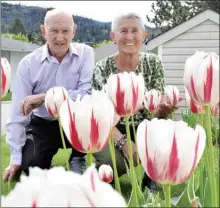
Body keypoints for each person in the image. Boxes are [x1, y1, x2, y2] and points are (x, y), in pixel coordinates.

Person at [3, 9, 94, 182]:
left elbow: (85, 94)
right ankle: (46, 171)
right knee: (30, 165)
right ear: (44, 31)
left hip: (75, 121)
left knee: (88, 113)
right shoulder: (28, 64)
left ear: (73, 31)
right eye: (54, 31)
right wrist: (15, 159)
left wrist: (45, 97)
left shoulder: (85, 54)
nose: (60, 38)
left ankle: (77, 158)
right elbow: (17, 114)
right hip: (43, 124)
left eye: (65, 31)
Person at [92, 12, 174, 190]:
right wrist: (123, 143)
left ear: (144, 36)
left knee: (166, 135)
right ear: (113, 37)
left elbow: (155, 113)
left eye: (135, 31)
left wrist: (163, 111)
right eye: (123, 31)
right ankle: (99, 176)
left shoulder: (153, 65)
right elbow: (101, 115)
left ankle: (152, 177)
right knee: (112, 161)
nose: (129, 37)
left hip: (145, 125)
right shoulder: (101, 69)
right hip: (112, 129)